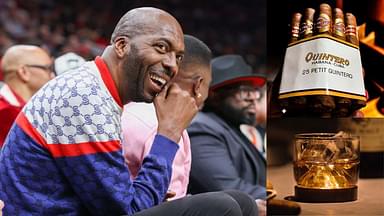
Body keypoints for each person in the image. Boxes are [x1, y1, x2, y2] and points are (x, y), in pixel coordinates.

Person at [0, 8, 257, 216]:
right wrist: (169, 132)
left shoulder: (96, 87)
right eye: (161, 47)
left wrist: (146, 189)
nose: (171, 65)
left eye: (178, 57)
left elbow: (118, 195)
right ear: (122, 46)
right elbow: (128, 209)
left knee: (242, 202)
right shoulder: (86, 98)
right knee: (223, 208)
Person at [121, 34, 211, 200]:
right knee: (229, 204)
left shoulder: (132, 106)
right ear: (198, 86)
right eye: (208, 85)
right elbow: (170, 201)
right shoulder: (166, 126)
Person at [187, 54, 267, 214]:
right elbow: (228, 188)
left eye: (254, 91)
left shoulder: (230, 125)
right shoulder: (202, 128)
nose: (252, 98)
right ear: (216, 96)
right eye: (245, 91)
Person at [0, 44, 55, 147]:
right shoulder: (4, 113)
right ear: (24, 72)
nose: (52, 75)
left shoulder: (29, 110)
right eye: (48, 68)